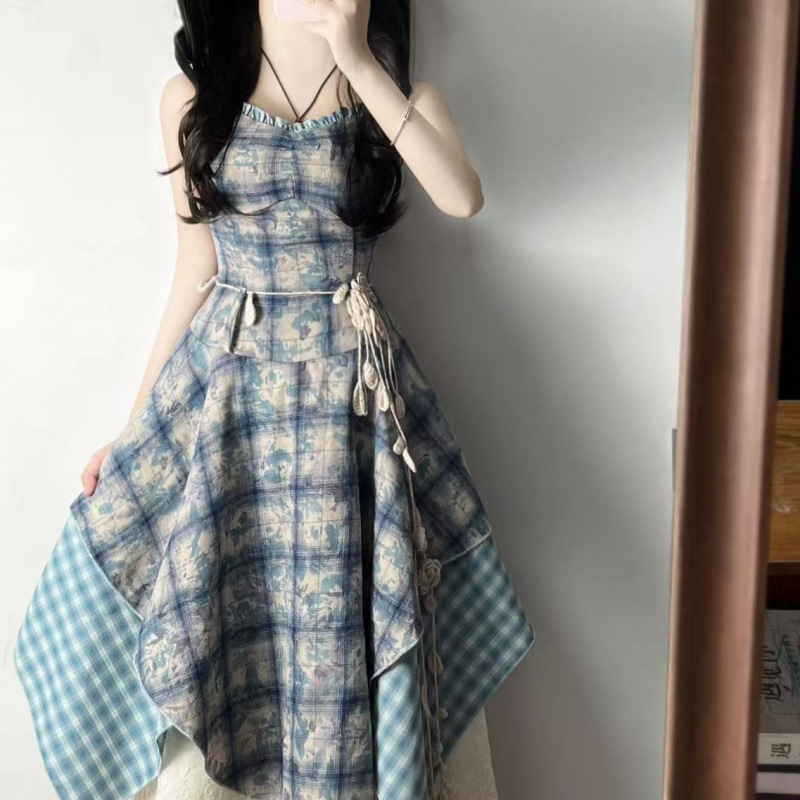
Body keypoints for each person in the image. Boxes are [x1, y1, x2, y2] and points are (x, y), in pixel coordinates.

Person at [14, 1, 535, 798]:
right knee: (214, 603)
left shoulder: (396, 95)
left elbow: (463, 198)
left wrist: (357, 59)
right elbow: (196, 269)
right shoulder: (194, 100)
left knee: (345, 623)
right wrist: (132, 426)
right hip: (229, 396)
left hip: (350, 401)